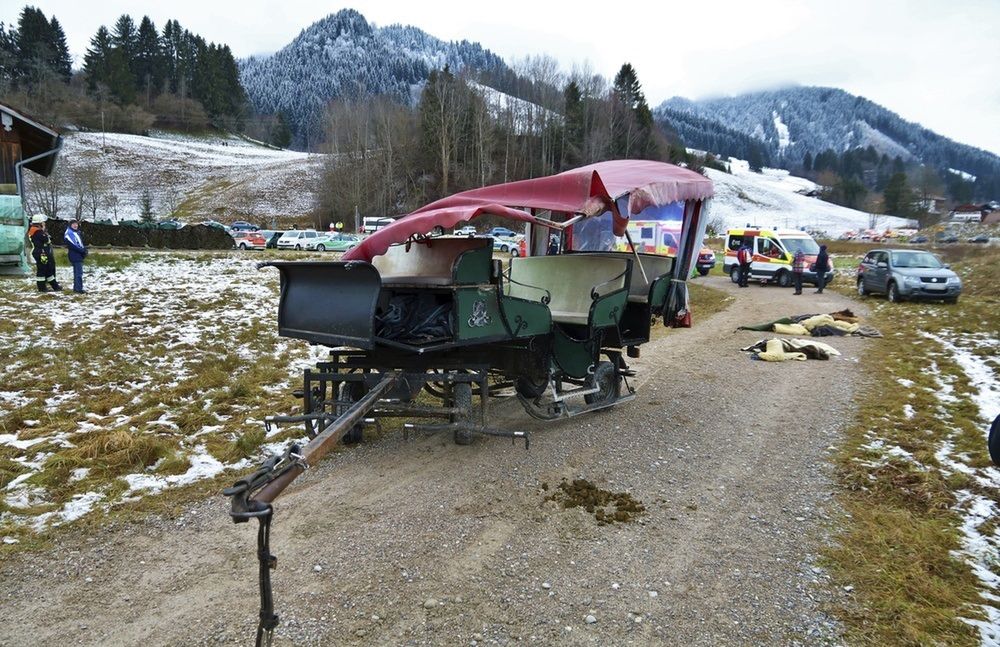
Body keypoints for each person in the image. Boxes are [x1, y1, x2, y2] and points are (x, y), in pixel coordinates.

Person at [27, 214, 61, 292]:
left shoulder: (33, 230)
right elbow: (47, 240)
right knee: (42, 270)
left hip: (40, 252)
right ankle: (42, 288)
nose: (44, 223)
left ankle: (55, 286)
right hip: (41, 252)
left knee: (48, 269)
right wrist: (45, 232)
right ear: (39, 223)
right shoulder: (38, 231)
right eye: (43, 222)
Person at [64, 219, 88, 293]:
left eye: (76, 224)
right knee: (78, 273)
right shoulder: (70, 234)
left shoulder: (75, 233)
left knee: (77, 273)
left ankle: (77, 288)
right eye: (74, 224)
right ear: (70, 225)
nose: (76, 225)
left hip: (77, 255)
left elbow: (79, 243)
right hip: (75, 255)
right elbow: (74, 246)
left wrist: (84, 250)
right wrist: (82, 251)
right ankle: (78, 289)